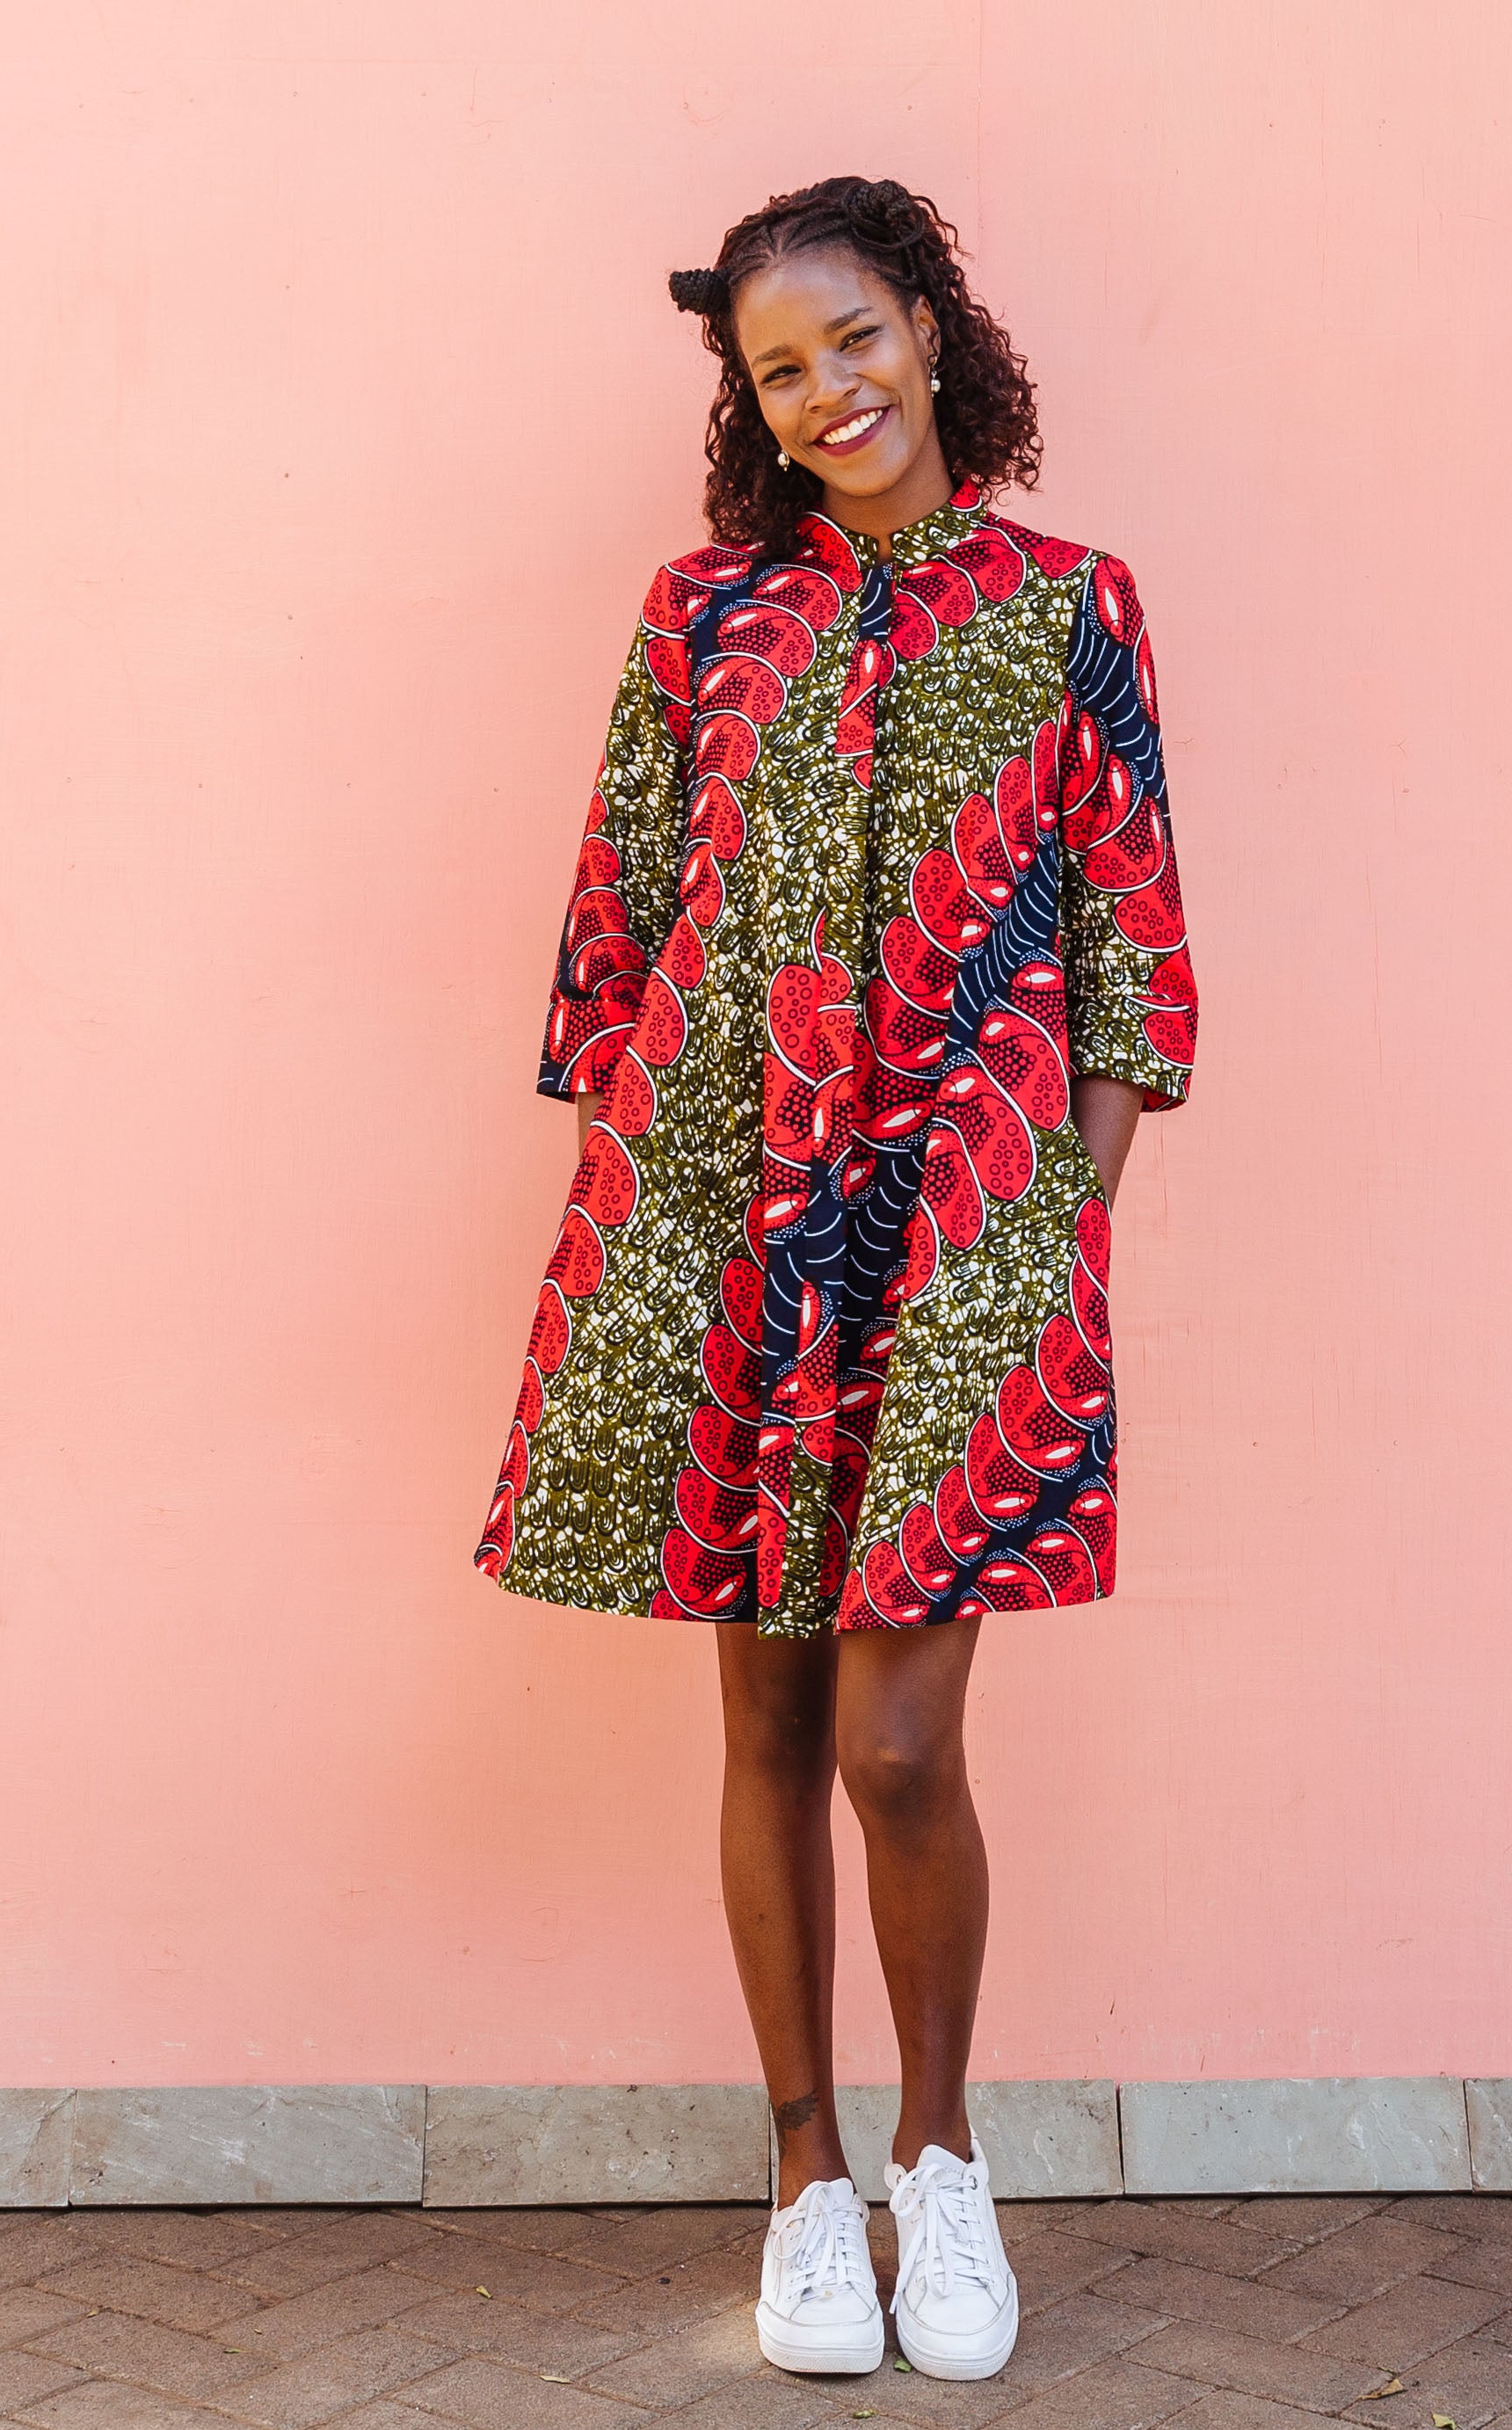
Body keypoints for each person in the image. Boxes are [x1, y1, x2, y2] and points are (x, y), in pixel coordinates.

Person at [475, 173, 1199, 2383]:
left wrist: (1061, 1218)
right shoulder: (702, 612)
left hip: (969, 1227)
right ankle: (807, 2183)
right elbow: (618, 923)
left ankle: (944, 2163)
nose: (830, 392)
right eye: (783, 370)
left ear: (932, 328)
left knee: (902, 1742)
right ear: (755, 404)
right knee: (771, 1717)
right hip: (726, 1213)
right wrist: (647, 1206)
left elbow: (1128, 948)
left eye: (857, 337)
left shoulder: (1076, 603)